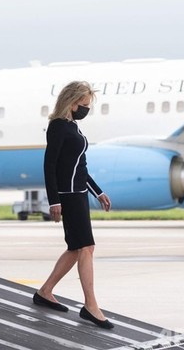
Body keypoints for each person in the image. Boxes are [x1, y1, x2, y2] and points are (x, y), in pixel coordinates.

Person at [34, 81, 114, 329]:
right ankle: (91, 306)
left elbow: (80, 167)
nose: (86, 109)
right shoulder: (58, 126)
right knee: (86, 247)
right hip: (67, 196)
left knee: (76, 248)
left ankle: (45, 291)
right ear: (72, 102)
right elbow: (50, 165)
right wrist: (54, 201)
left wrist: (98, 192)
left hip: (79, 194)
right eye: (84, 104)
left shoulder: (73, 127)